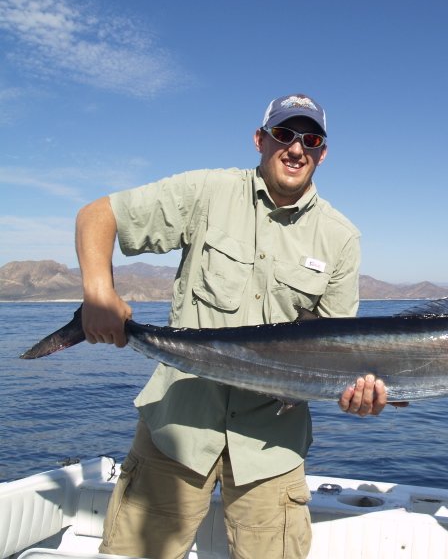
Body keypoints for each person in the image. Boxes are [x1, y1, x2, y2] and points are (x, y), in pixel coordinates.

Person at [76, 94, 388, 559]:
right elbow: (99, 215)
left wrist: (359, 395)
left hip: (272, 453)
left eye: (311, 138)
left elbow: (335, 352)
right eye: (284, 134)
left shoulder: (341, 238)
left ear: (322, 152)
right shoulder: (208, 192)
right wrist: (99, 292)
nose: (296, 148)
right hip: (176, 434)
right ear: (260, 139)